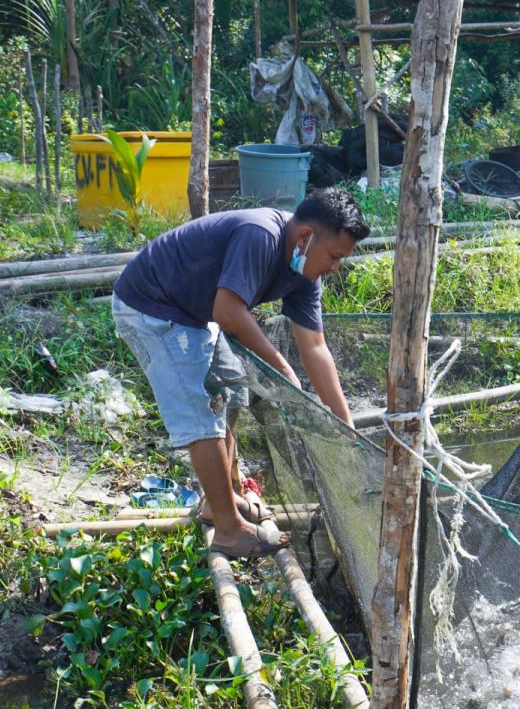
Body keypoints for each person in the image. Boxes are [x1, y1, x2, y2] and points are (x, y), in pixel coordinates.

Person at [111, 188, 369, 558]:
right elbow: (229, 311)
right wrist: (281, 367)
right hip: (152, 307)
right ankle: (229, 531)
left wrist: (346, 430)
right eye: (334, 256)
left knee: (231, 387)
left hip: (194, 313)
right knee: (201, 411)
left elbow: (315, 348)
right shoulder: (260, 234)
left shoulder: (305, 274)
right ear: (306, 237)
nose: (335, 267)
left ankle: (219, 502)